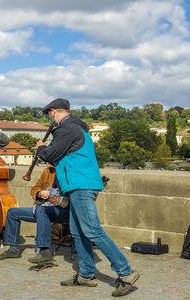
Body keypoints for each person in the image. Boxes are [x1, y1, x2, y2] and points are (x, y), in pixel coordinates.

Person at [36, 98, 139, 297]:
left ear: (55, 112)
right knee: (78, 232)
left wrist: (40, 147)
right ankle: (86, 274)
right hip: (77, 186)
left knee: (92, 230)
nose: (50, 119)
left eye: (49, 115)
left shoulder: (69, 129)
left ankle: (126, 273)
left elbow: (49, 155)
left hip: (81, 185)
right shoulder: (75, 129)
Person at [0, 165, 69, 263]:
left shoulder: (69, 170)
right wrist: (39, 193)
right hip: (44, 208)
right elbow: (35, 188)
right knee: (12, 212)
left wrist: (58, 200)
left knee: (41, 210)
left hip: (62, 211)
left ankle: (45, 251)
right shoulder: (49, 170)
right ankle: (13, 249)